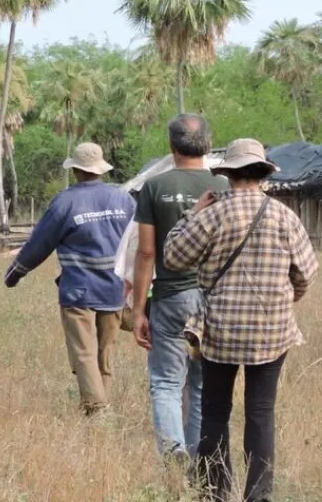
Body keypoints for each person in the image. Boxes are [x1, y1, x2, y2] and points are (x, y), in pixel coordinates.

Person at [164, 138, 319, 502]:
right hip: (272, 331)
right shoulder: (284, 216)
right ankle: (258, 494)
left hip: (220, 330)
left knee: (215, 410)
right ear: (263, 174)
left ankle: (214, 492)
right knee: (261, 411)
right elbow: (306, 274)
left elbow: (172, 256)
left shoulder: (214, 214)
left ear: (228, 175)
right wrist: (284, 300)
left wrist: (192, 213)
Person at [4, 142, 135, 416]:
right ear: (101, 170)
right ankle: (100, 406)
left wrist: (15, 273)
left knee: (83, 353)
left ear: (75, 170)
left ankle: (98, 411)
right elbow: (138, 241)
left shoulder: (64, 202)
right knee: (104, 354)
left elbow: (40, 243)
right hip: (115, 291)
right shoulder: (123, 199)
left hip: (79, 291)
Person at [132, 114, 228, 463]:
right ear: (207, 142)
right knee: (202, 386)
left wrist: (139, 309)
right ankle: (198, 458)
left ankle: (172, 452)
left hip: (170, 298)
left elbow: (145, 253)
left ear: (171, 145)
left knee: (166, 383)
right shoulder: (224, 187)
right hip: (213, 301)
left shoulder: (153, 188)